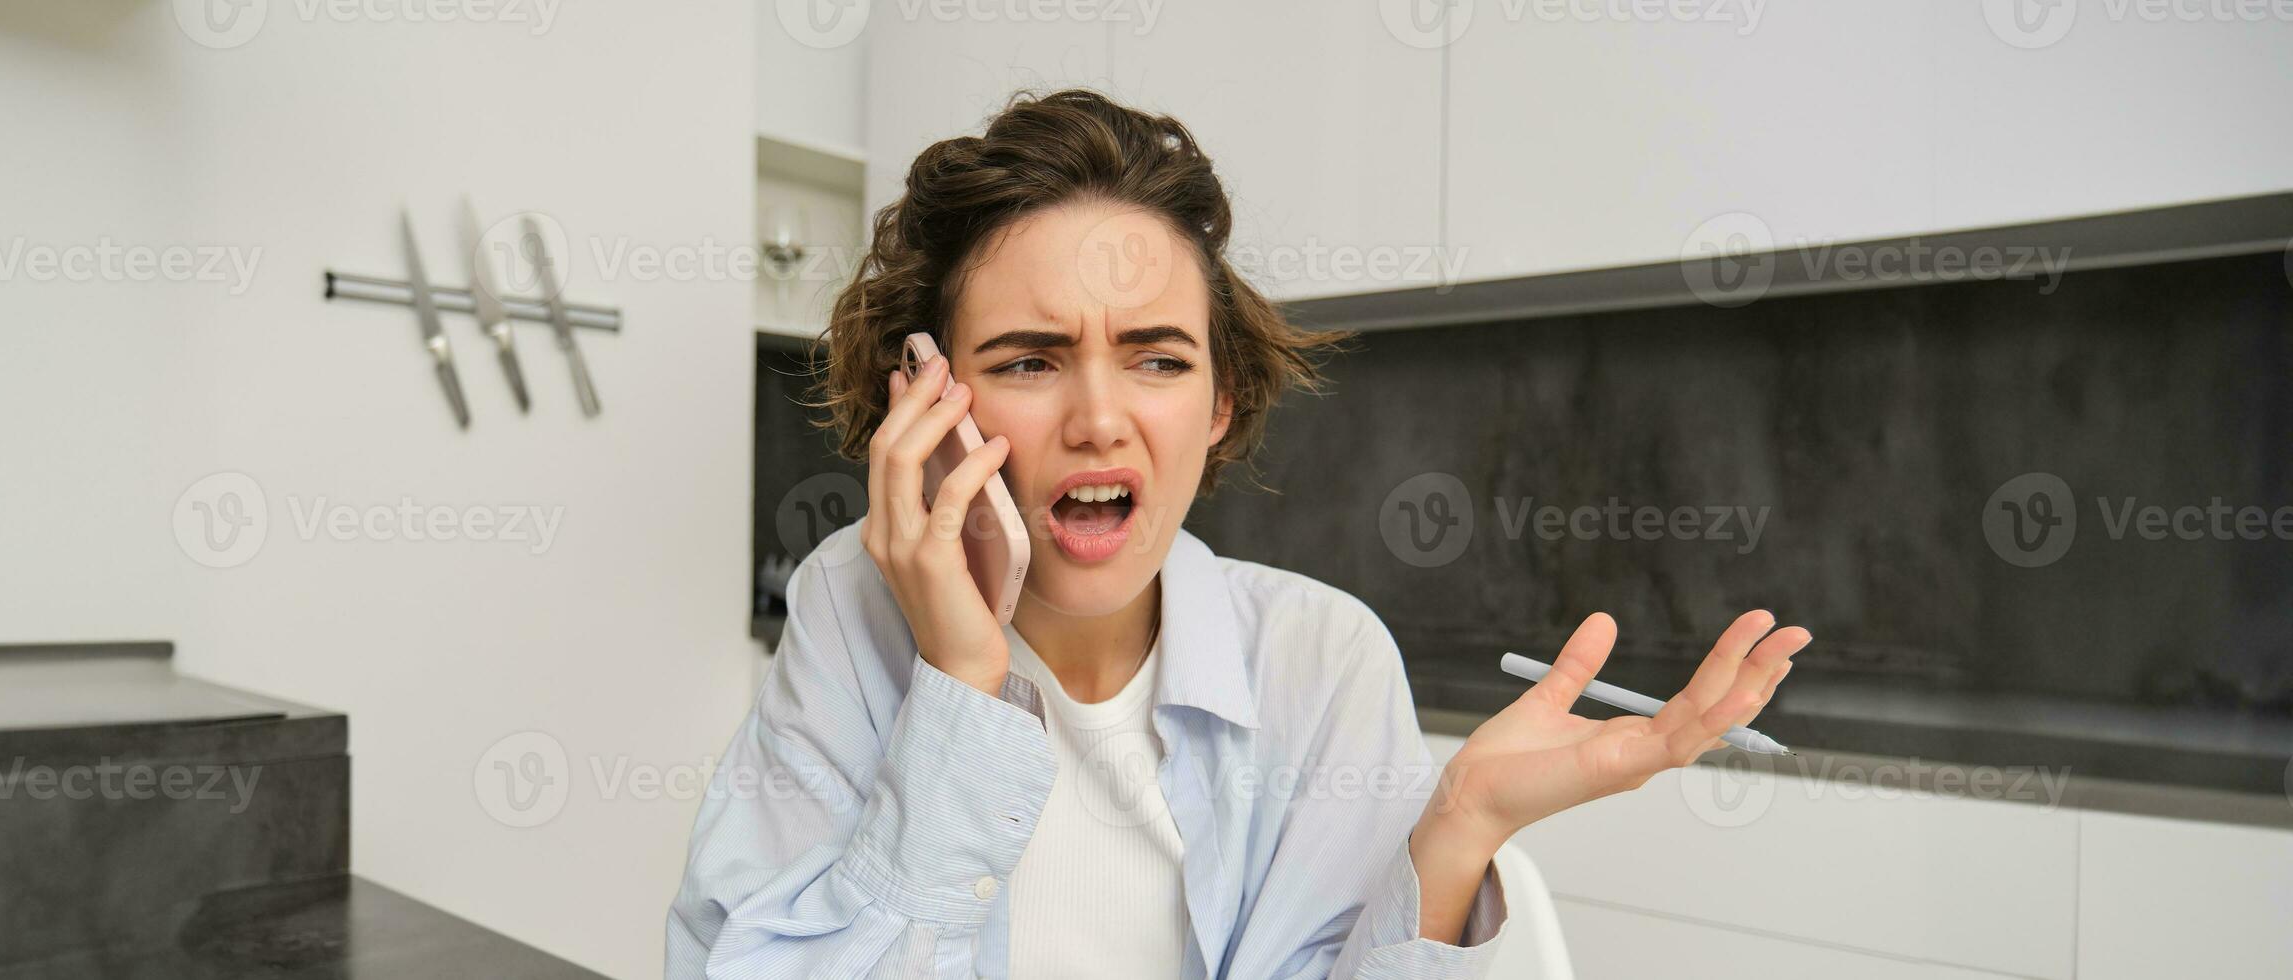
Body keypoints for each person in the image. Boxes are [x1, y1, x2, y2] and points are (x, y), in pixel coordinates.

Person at [669, 89, 1808, 979]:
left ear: (1219, 404)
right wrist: (961, 687)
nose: (1100, 416)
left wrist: (1459, 826)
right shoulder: (853, 611)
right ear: (926, 395)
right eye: (1028, 358)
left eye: (1158, 357)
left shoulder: (1319, 658)